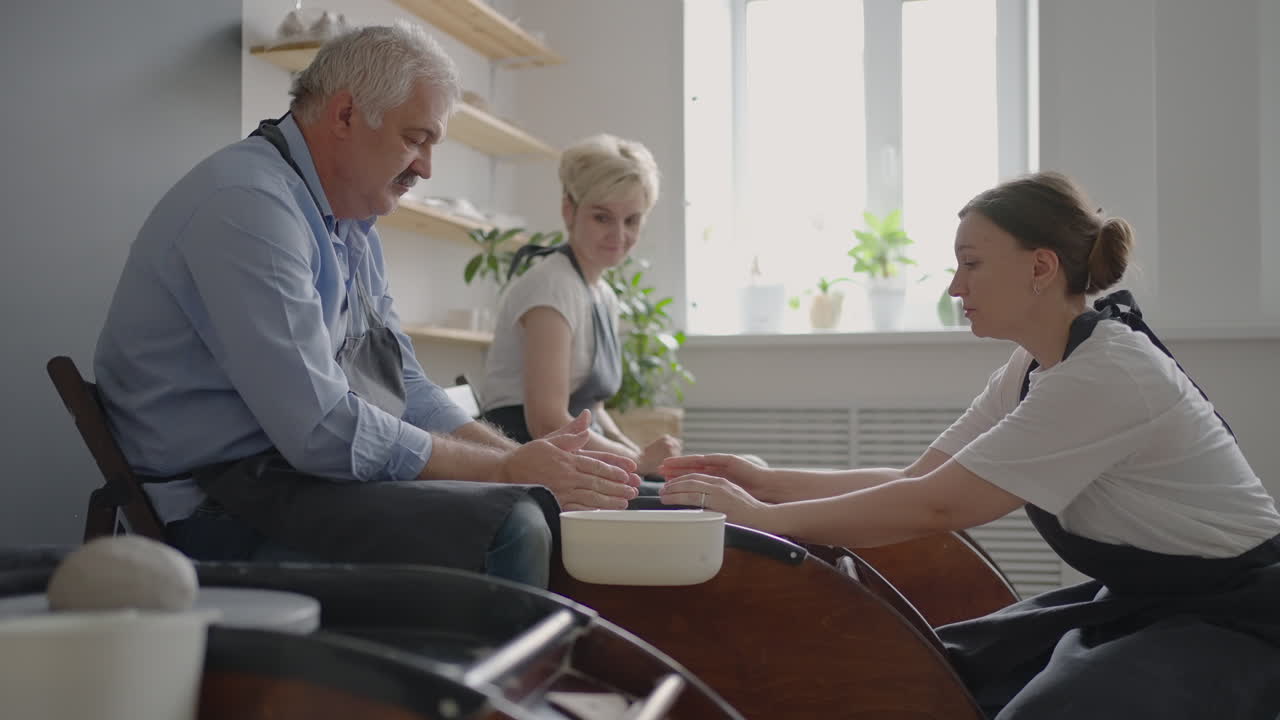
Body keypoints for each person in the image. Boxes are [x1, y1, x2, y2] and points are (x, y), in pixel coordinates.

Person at [659, 172, 1280, 718]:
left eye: (971, 263)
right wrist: (762, 483)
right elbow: (920, 476)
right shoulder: (1037, 363)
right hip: (1145, 602)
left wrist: (764, 519)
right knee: (937, 672)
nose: (956, 286)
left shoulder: (1108, 371)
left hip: (1235, 616)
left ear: (1040, 267)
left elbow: (939, 509)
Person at [93, 24, 640, 589]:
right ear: (347, 115)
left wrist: (520, 461)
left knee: (526, 499)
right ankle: (480, 679)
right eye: (416, 138)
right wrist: (504, 470)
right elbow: (322, 430)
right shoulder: (248, 206)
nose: (426, 167)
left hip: (291, 481)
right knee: (513, 523)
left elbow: (403, 384)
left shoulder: (350, 222)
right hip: (216, 504)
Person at [478, 134, 681, 480]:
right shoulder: (552, 287)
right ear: (569, 210)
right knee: (696, 503)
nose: (619, 235)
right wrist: (637, 464)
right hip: (530, 460)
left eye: (632, 220)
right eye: (602, 218)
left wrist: (640, 458)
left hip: (571, 455)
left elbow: (593, 408)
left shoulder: (602, 293)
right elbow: (547, 422)